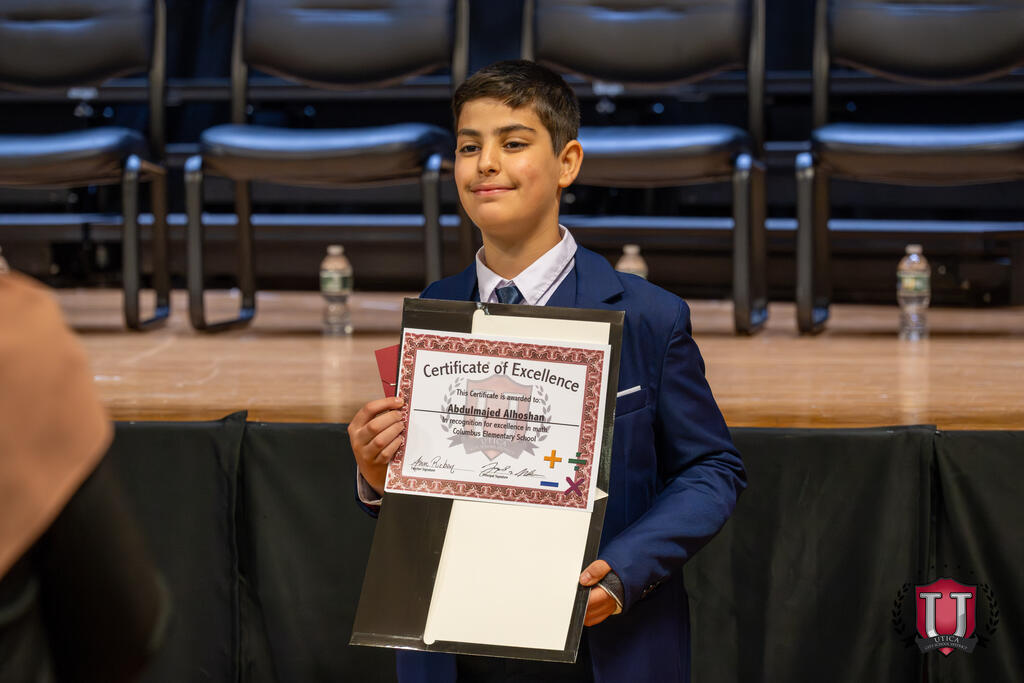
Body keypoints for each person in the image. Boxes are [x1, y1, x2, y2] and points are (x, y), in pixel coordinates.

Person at [348, 60, 746, 683]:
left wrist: (623, 574)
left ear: (567, 163)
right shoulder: (436, 309)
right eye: (469, 147)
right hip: (456, 649)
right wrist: (379, 479)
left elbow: (712, 469)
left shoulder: (649, 315)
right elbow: (431, 493)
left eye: (513, 144)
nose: (486, 164)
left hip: (599, 645)